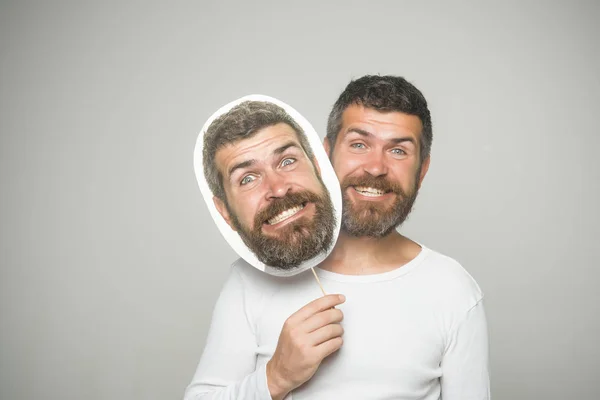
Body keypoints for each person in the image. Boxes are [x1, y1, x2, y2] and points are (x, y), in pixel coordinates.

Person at [184, 76, 490, 400]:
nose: (375, 168)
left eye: (398, 150)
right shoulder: (250, 281)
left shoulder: (453, 289)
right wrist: (275, 377)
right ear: (325, 154)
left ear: (422, 169)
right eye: (359, 144)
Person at [202, 100, 336, 271]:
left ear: (316, 167)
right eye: (247, 179)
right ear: (225, 212)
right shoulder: (235, 295)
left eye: (287, 161)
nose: (279, 190)